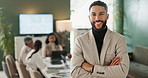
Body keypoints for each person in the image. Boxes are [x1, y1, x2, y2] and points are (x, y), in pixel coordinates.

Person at [70, 1, 129, 78]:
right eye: (93, 14)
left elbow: (122, 72)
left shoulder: (119, 39)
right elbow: (75, 72)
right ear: (89, 17)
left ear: (107, 16)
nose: (97, 18)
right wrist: (108, 71)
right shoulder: (80, 41)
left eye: (101, 14)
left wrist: (92, 68)